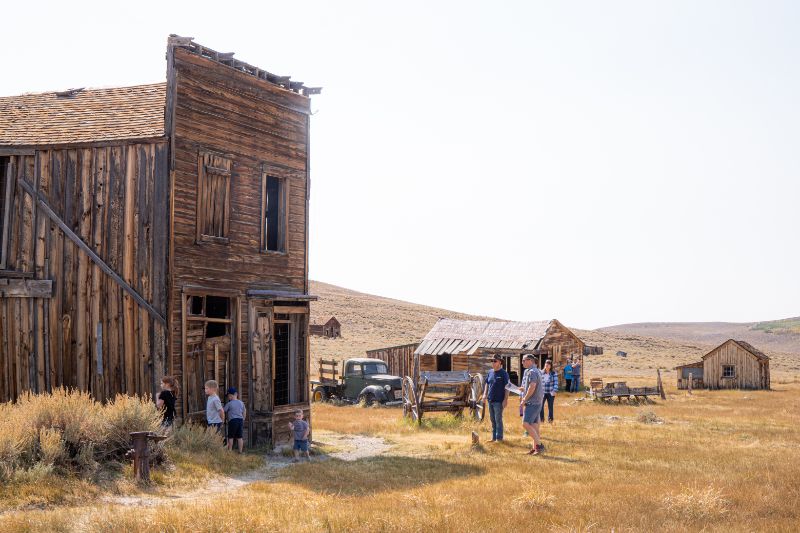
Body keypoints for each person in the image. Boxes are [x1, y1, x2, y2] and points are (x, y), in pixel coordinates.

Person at [520, 354, 545, 455]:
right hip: (538, 401)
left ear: (530, 361)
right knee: (534, 426)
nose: (522, 362)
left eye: (523, 360)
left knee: (525, 424)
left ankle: (539, 446)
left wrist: (524, 399)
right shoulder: (537, 371)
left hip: (532, 402)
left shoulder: (531, 372)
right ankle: (535, 449)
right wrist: (523, 389)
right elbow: (532, 386)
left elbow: (533, 386)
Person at [482, 355, 509, 442]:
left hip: (499, 401)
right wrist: (484, 394)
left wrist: (505, 400)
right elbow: (487, 383)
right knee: (492, 419)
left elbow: (507, 387)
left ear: (500, 362)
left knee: (498, 419)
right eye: (492, 361)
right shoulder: (490, 372)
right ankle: (493, 438)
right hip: (490, 400)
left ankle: (499, 438)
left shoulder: (504, 373)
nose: (493, 363)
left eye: (495, 361)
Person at [224, 387, 246, 453]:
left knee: (230, 437)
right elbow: (244, 411)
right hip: (240, 420)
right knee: (240, 437)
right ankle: (240, 451)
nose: (229, 397)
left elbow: (224, 410)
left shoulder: (229, 404)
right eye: (228, 396)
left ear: (235, 394)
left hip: (233, 421)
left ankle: (230, 451)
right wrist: (243, 419)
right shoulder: (241, 403)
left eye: (230, 396)